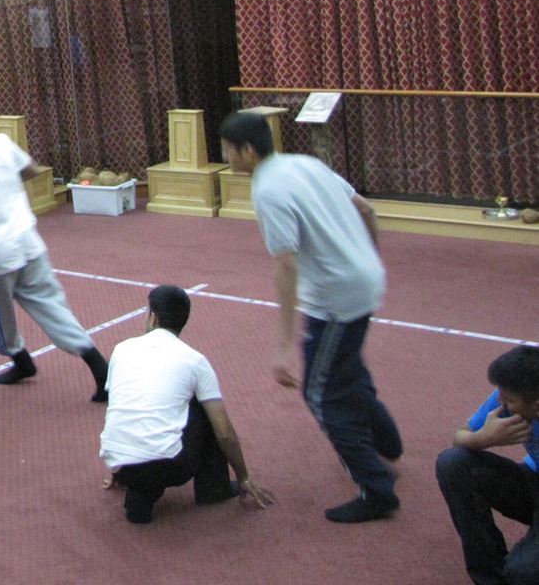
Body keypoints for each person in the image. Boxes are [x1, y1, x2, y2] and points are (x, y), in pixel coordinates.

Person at [220, 110, 402, 523]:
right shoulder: (305, 162)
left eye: (228, 149)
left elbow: (285, 266)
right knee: (346, 365)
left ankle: (376, 487)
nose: (226, 156)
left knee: (322, 395)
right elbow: (366, 210)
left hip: (336, 300)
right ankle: (387, 440)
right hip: (365, 281)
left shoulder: (266, 190)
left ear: (247, 151)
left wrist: (285, 347)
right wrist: (369, 261)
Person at [0, 92, 109, 401]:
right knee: (52, 305)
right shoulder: (0, 142)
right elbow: (30, 170)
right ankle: (98, 368)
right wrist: (0, 185)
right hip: (28, 241)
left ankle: (20, 359)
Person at [99, 285, 275, 524]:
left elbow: (119, 408)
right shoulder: (195, 361)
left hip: (119, 463)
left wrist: (117, 465)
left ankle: (139, 489)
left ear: (153, 317)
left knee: (140, 399)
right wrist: (243, 476)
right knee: (203, 407)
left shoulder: (121, 350)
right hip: (171, 466)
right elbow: (223, 432)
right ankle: (213, 489)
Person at [436, 345, 539, 585]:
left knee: (524, 573)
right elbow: (460, 437)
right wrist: (484, 439)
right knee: (453, 463)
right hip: (533, 481)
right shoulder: (509, 396)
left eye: (509, 398)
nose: (499, 400)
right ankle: (490, 578)